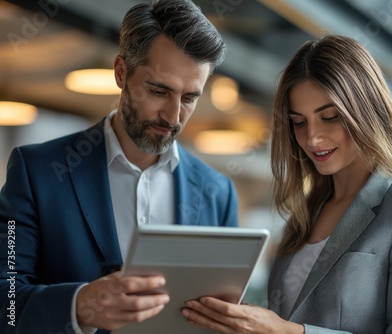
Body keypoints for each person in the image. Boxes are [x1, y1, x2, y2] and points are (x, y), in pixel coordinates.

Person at [182, 34, 392, 333]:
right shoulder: (302, 219)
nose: (312, 137)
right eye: (299, 122)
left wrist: (288, 332)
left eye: (329, 117)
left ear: (365, 111)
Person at [0, 1, 238, 333]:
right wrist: (78, 306)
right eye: (159, 91)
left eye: (189, 98)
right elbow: (5, 304)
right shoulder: (36, 172)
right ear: (121, 72)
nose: (173, 117)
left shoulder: (219, 193)